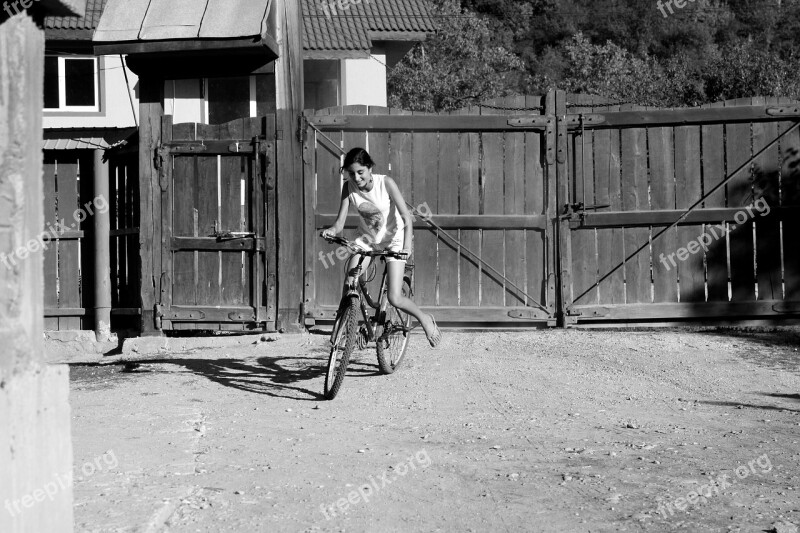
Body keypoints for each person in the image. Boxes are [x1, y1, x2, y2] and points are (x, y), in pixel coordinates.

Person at [321, 147, 442, 348]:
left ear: (369, 168)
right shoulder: (348, 187)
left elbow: (406, 217)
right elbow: (339, 223)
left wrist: (407, 246)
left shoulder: (385, 183)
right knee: (350, 280)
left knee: (395, 297)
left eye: (360, 172)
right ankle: (341, 329)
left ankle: (425, 319)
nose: (357, 178)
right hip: (367, 238)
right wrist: (332, 230)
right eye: (352, 173)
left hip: (395, 239)